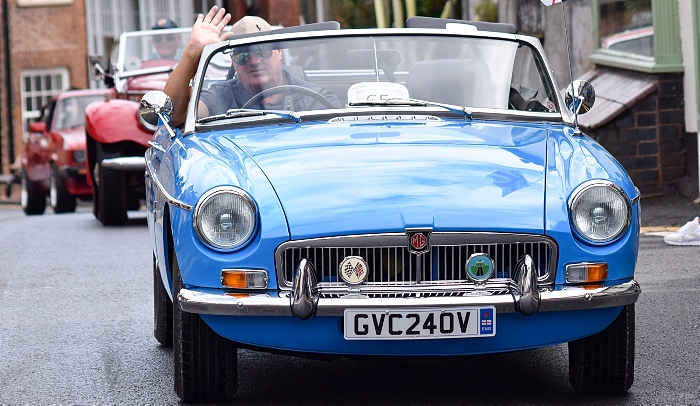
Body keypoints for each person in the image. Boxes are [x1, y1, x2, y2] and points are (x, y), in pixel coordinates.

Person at [163, 6, 340, 127]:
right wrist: (192, 52)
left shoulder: (314, 99)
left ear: (278, 52)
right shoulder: (219, 97)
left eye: (262, 51)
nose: (254, 61)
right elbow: (173, 116)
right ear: (232, 59)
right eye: (243, 55)